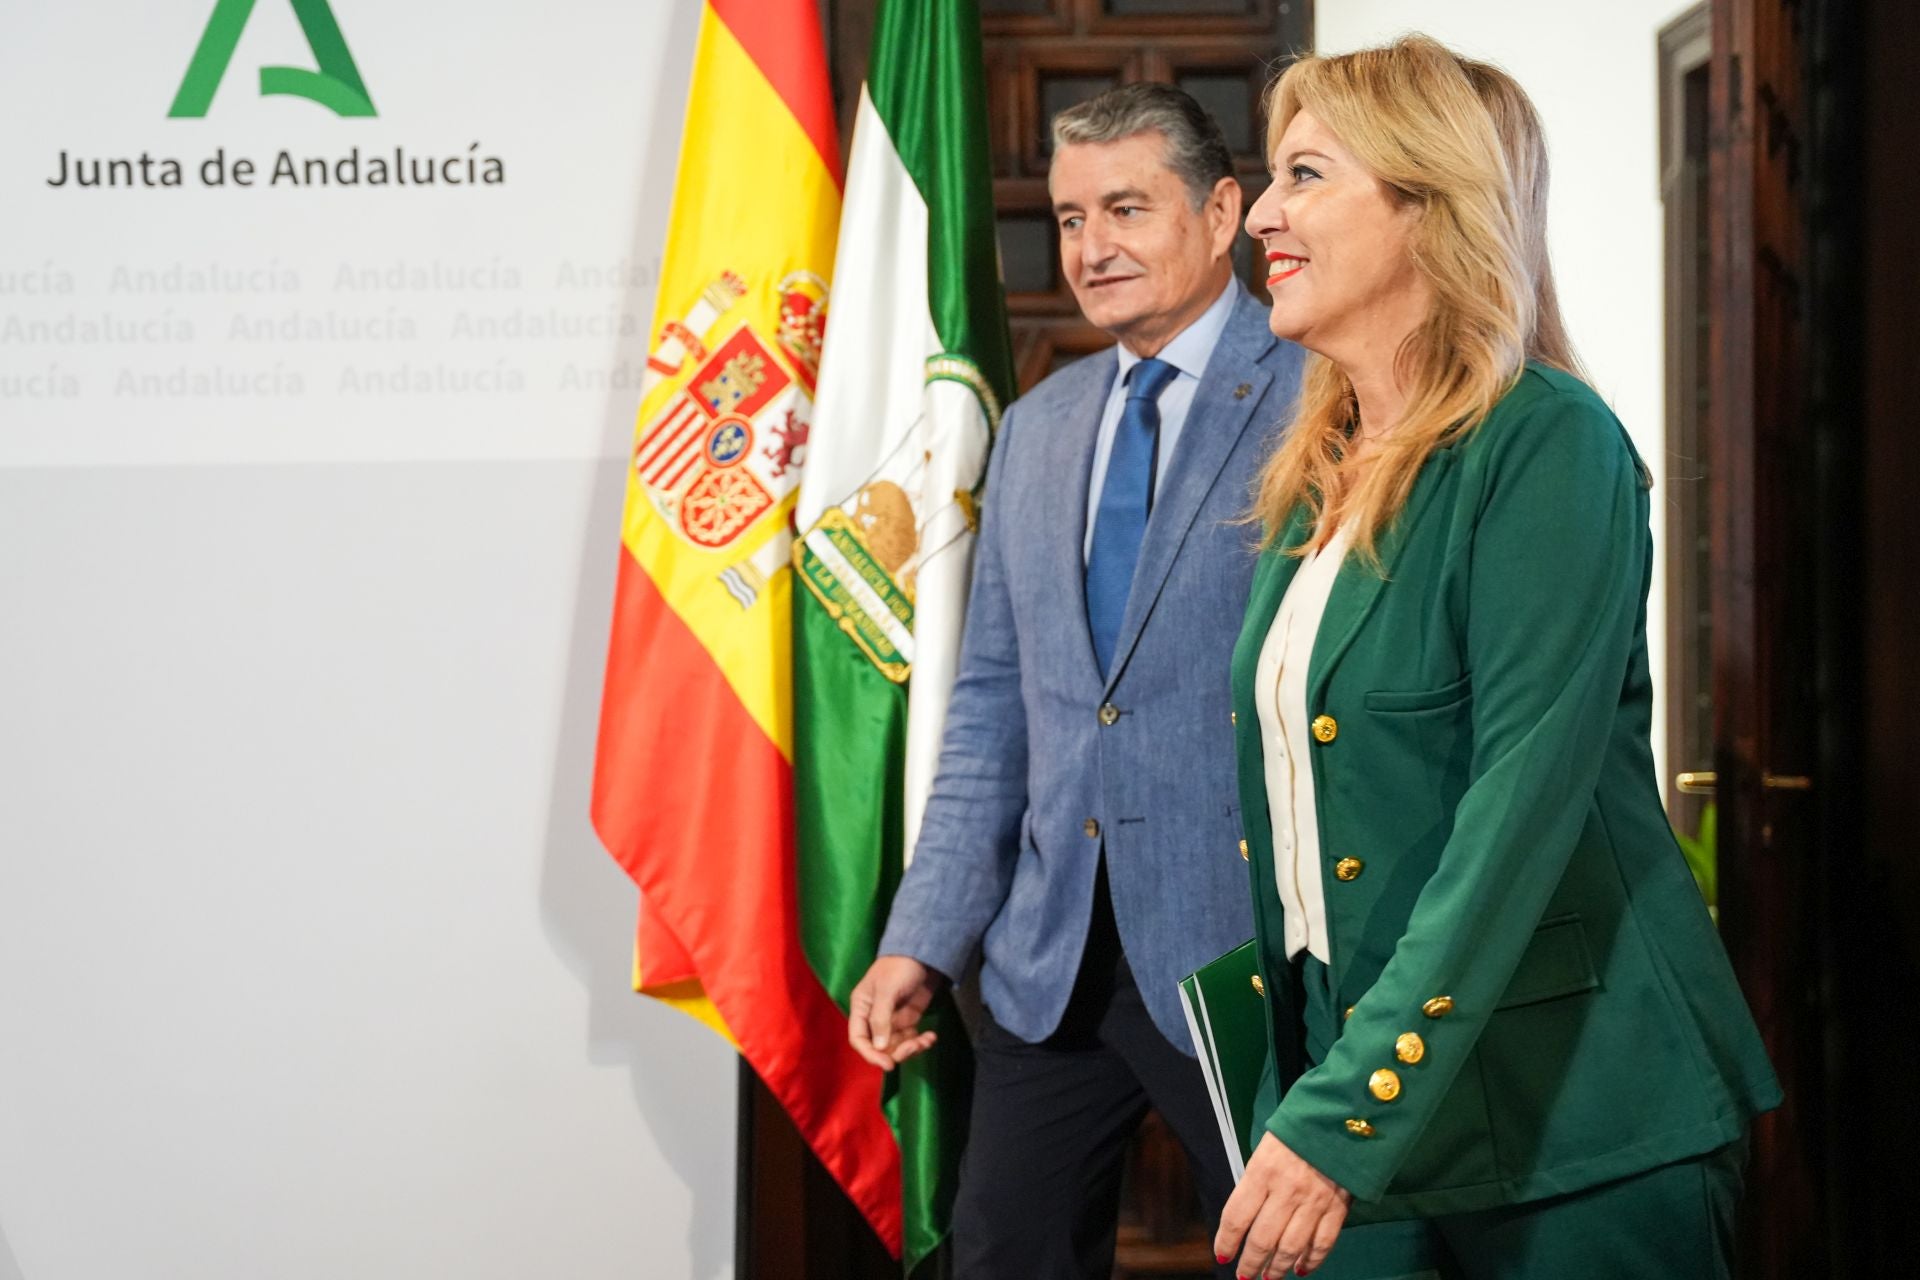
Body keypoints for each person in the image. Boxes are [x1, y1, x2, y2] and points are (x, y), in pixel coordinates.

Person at [1214, 36, 1782, 1280]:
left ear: (1428, 203)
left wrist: (1336, 1116)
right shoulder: (1316, 475)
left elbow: (1512, 819)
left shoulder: (1546, 443)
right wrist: (1300, 1092)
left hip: (1574, 1128)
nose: (1260, 214)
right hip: (1356, 1114)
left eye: (1304, 174)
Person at [845, 83, 1306, 1278]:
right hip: (1049, 962)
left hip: (1238, 955)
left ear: (1220, 212)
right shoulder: (1042, 425)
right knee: (999, 1252)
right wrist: (922, 936)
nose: (1091, 247)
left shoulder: (1323, 396)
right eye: (1066, 218)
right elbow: (995, 708)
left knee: (1300, 1262)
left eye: (1125, 208)